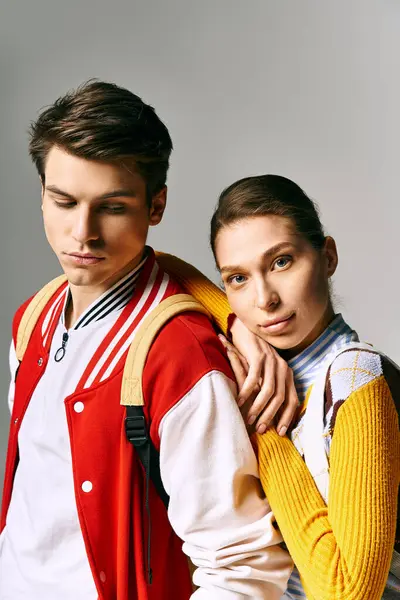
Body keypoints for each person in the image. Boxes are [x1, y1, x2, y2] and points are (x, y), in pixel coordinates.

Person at [0, 82, 293, 599]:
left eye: (111, 207)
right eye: (63, 201)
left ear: (155, 206)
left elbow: (243, 566)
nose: (82, 233)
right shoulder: (35, 318)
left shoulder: (180, 354)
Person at [173, 174, 400, 599]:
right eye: (237, 278)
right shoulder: (262, 360)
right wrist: (236, 326)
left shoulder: (356, 378)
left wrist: (265, 430)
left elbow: (347, 594)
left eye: (281, 262)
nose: (264, 299)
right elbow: (160, 265)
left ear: (327, 256)